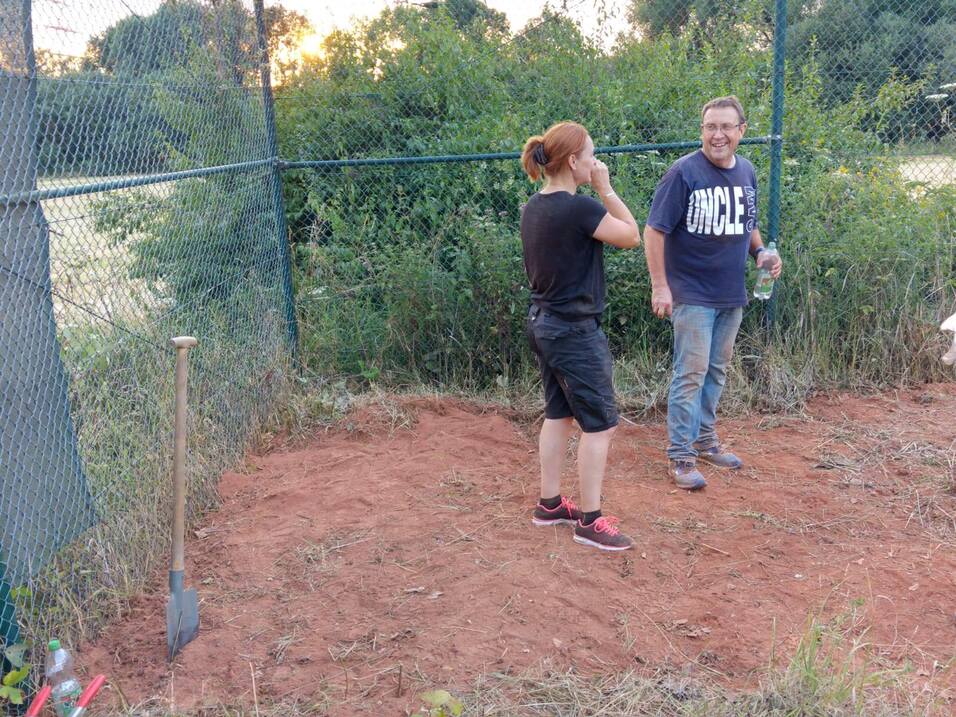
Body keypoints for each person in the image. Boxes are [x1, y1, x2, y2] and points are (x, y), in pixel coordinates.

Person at [644, 96, 783, 490]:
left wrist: (761, 254)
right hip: (691, 293)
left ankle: (705, 441)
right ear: (702, 130)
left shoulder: (748, 172)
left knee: (716, 371)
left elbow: (748, 221)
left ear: (742, 130)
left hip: (730, 293)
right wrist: (660, 285)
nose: (717, 135)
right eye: (710, 127)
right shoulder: (683, 173)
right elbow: (654, 231)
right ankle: (681, 456)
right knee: (690, 373)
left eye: (725, 127)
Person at [520, 121, 641, 551]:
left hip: (544, 324)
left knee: (559, 415)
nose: (596, 162)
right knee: (600, 425)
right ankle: (591, 522)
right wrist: (606, 189)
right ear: (573, 161)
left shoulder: (533, 206)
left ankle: (550, 504)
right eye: (591, 155)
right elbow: (631, 235)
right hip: (573, 331)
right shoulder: (579, 208)